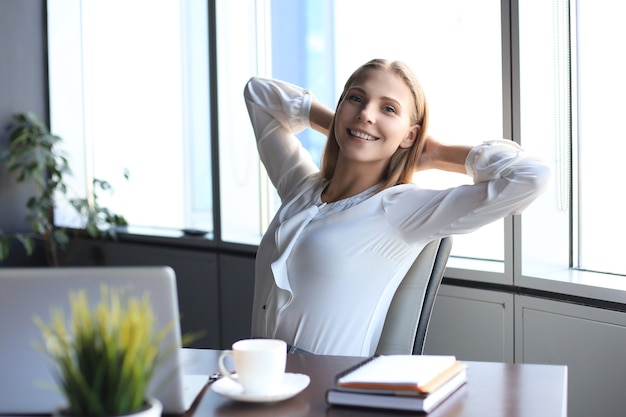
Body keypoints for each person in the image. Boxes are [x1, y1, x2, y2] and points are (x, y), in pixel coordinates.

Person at [243, 58, 549, 356]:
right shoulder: (301, 187)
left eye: (388, 108)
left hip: (327, 394)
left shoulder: (402, 210)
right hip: (258, 383)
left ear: (411, 135)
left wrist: (437, 153)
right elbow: (258, 93)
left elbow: (530, 177)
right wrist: (345, 125)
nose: (366, 113)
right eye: (356, 98)